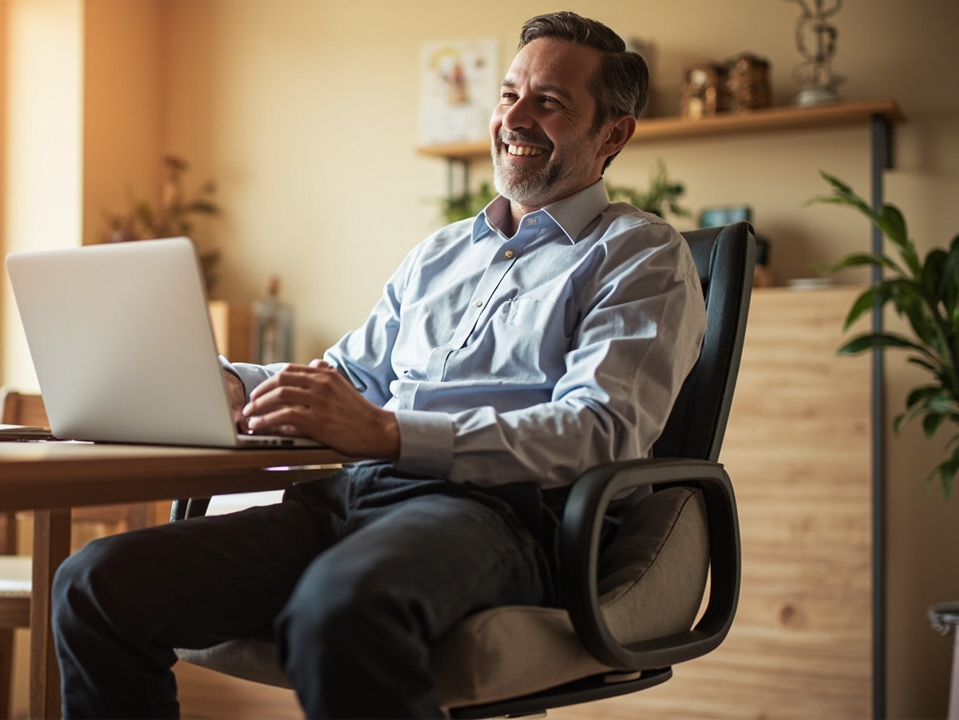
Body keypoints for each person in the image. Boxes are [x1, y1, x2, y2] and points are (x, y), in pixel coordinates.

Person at [53, 10, 707, 719]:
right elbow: (347, 381)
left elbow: (597, 431)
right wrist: (231, 384)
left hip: (500, 516)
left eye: (549, 102)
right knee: (93, 583)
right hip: (351, 498)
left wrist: (394, 435)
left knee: (339, 611)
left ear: (612, 134)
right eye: (510, 93)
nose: (515, 117)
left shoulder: (640, 255)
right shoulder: (440, 254)